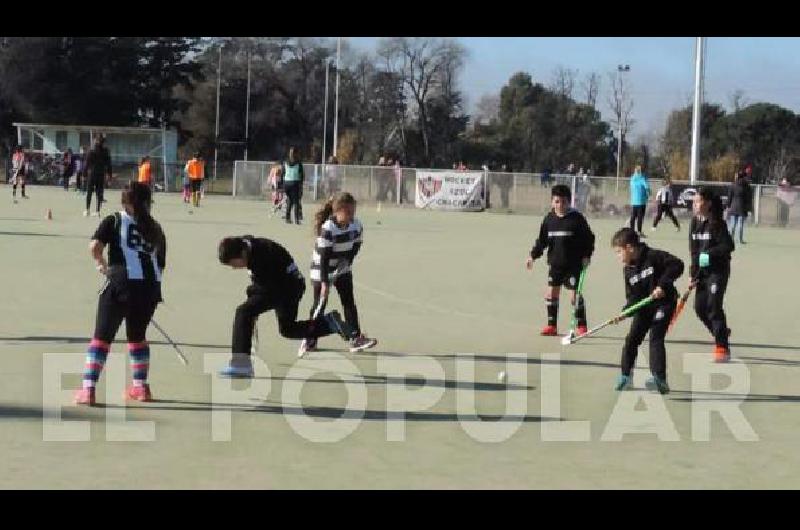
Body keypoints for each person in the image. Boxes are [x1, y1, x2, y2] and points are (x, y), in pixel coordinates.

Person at [73, 182, 166, 406]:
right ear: (148, 203)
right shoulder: (157, 228)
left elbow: (94, 246)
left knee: (102, 337)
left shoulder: (115, 219)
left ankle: (88, 389)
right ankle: (140, 387)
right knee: (137, 337)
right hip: (150, 288)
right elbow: (161, 264)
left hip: (120, 282)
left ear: (125, 203)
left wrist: (102, 265)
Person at [217, 235, 356, 378]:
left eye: (233, 263)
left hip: (285, 288)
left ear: (242, 254)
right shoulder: (248, 245)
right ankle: (328, 323)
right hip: (289, 284)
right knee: (288, 329)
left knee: (243, 312)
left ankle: (241, 365)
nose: (234, 268)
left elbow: (263, 289)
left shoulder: (261, 256)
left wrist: (252, 303)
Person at [299, 192, 378, 357]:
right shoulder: (328, 228)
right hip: (321, 268)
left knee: (348, 301)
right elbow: (324, 257)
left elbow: (356, 246)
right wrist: (325, 283)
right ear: (338, 212)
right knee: (319, 304)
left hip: (342, 268)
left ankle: (355, 338)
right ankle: (309, 338)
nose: (351, 216)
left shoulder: (356, 225)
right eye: (348, 212)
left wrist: (346, 261)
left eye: (353, 212)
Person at [610, 228, 684, 394]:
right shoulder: (627, 271)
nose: (618, 256)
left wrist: (662, 285)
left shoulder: (653, 256)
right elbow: (632, 297)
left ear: (629, 248)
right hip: (644, 307)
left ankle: (659, 378)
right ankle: (625, 375)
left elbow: (677, 264)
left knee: (656, 337)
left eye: (618, 251)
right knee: (632, 339)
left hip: (664, 303)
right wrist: (625, 312)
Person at [526, 184, 595, 336]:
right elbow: (542, 241)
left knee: (574, 295)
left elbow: (589, 239)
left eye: (563, 202)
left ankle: (581, 325)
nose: (560, 205)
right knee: (551, 293)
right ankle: (552, 326)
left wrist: (587, 256)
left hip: (574, 265)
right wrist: (533, 256)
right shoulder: (549, 220)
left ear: (569, 202)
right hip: (555, 265)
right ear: (552, 202)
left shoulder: (577, 219)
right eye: (557, 201)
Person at [690, 187, 735, 363]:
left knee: (714, 306)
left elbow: (728, 246)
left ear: (708, 204)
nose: (695, 205)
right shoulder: (694, 222)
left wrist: (709, 254)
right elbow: (693, 251)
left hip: (718, 271)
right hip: (702, 272)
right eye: (693, 202)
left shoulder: (717, 223)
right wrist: (692, 274)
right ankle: (721, 332)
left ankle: (722, 346)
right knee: (700, 308)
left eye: (698, 201)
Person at [84, 136, 112, 217]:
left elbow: (87, 163)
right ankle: (97, 211)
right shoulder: (106, 152)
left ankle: (87, 210)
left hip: (92, 174)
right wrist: (109, 175)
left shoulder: (91, 151)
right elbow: (109, 165)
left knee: (89, 192)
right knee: (99, 193)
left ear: (96, 141)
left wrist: (84, 174)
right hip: (101, 174)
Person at [726, 170, 753, 244]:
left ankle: (731, 239)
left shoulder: (733, 185)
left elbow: (729, 197)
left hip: (733, 207)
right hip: (742, 208)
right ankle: (740, 240)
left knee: (732, 224)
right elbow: (749, 198)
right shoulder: (747, 186)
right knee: (740, 224)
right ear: (744, 177)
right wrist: (749, 208)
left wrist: (728, 206)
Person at [282, 147, 305, 224]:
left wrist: (283, 184)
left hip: (286, 183)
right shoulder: (298, 163)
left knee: (289, 200)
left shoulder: (285, 162)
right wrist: (301, 185)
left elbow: (283, 173)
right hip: (295, 183)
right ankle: (296, 220)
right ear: (296, 153)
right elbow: (301, 175)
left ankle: (287, 218)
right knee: (296, 202)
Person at [628, 165, 650, 237]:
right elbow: (647, 188)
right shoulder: (643, 179)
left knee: (633, 217)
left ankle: (631, 231)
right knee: (640, 217)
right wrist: (648, 195)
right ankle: (639, 232)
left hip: (634, 201)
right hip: (641, 201)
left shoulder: (632, 179)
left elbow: (631, 188)